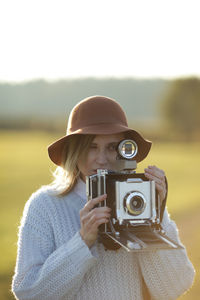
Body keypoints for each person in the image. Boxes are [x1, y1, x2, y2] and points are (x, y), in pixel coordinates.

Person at [12, 95, 195, 300]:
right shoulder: (45, 205)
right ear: (74, 150)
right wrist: (82, 243)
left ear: (125, 151)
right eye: (91, 146)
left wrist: (156, 217)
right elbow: (28, 293)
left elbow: (175, 287)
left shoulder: (140, 202)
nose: (101, 159)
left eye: (111, 147)